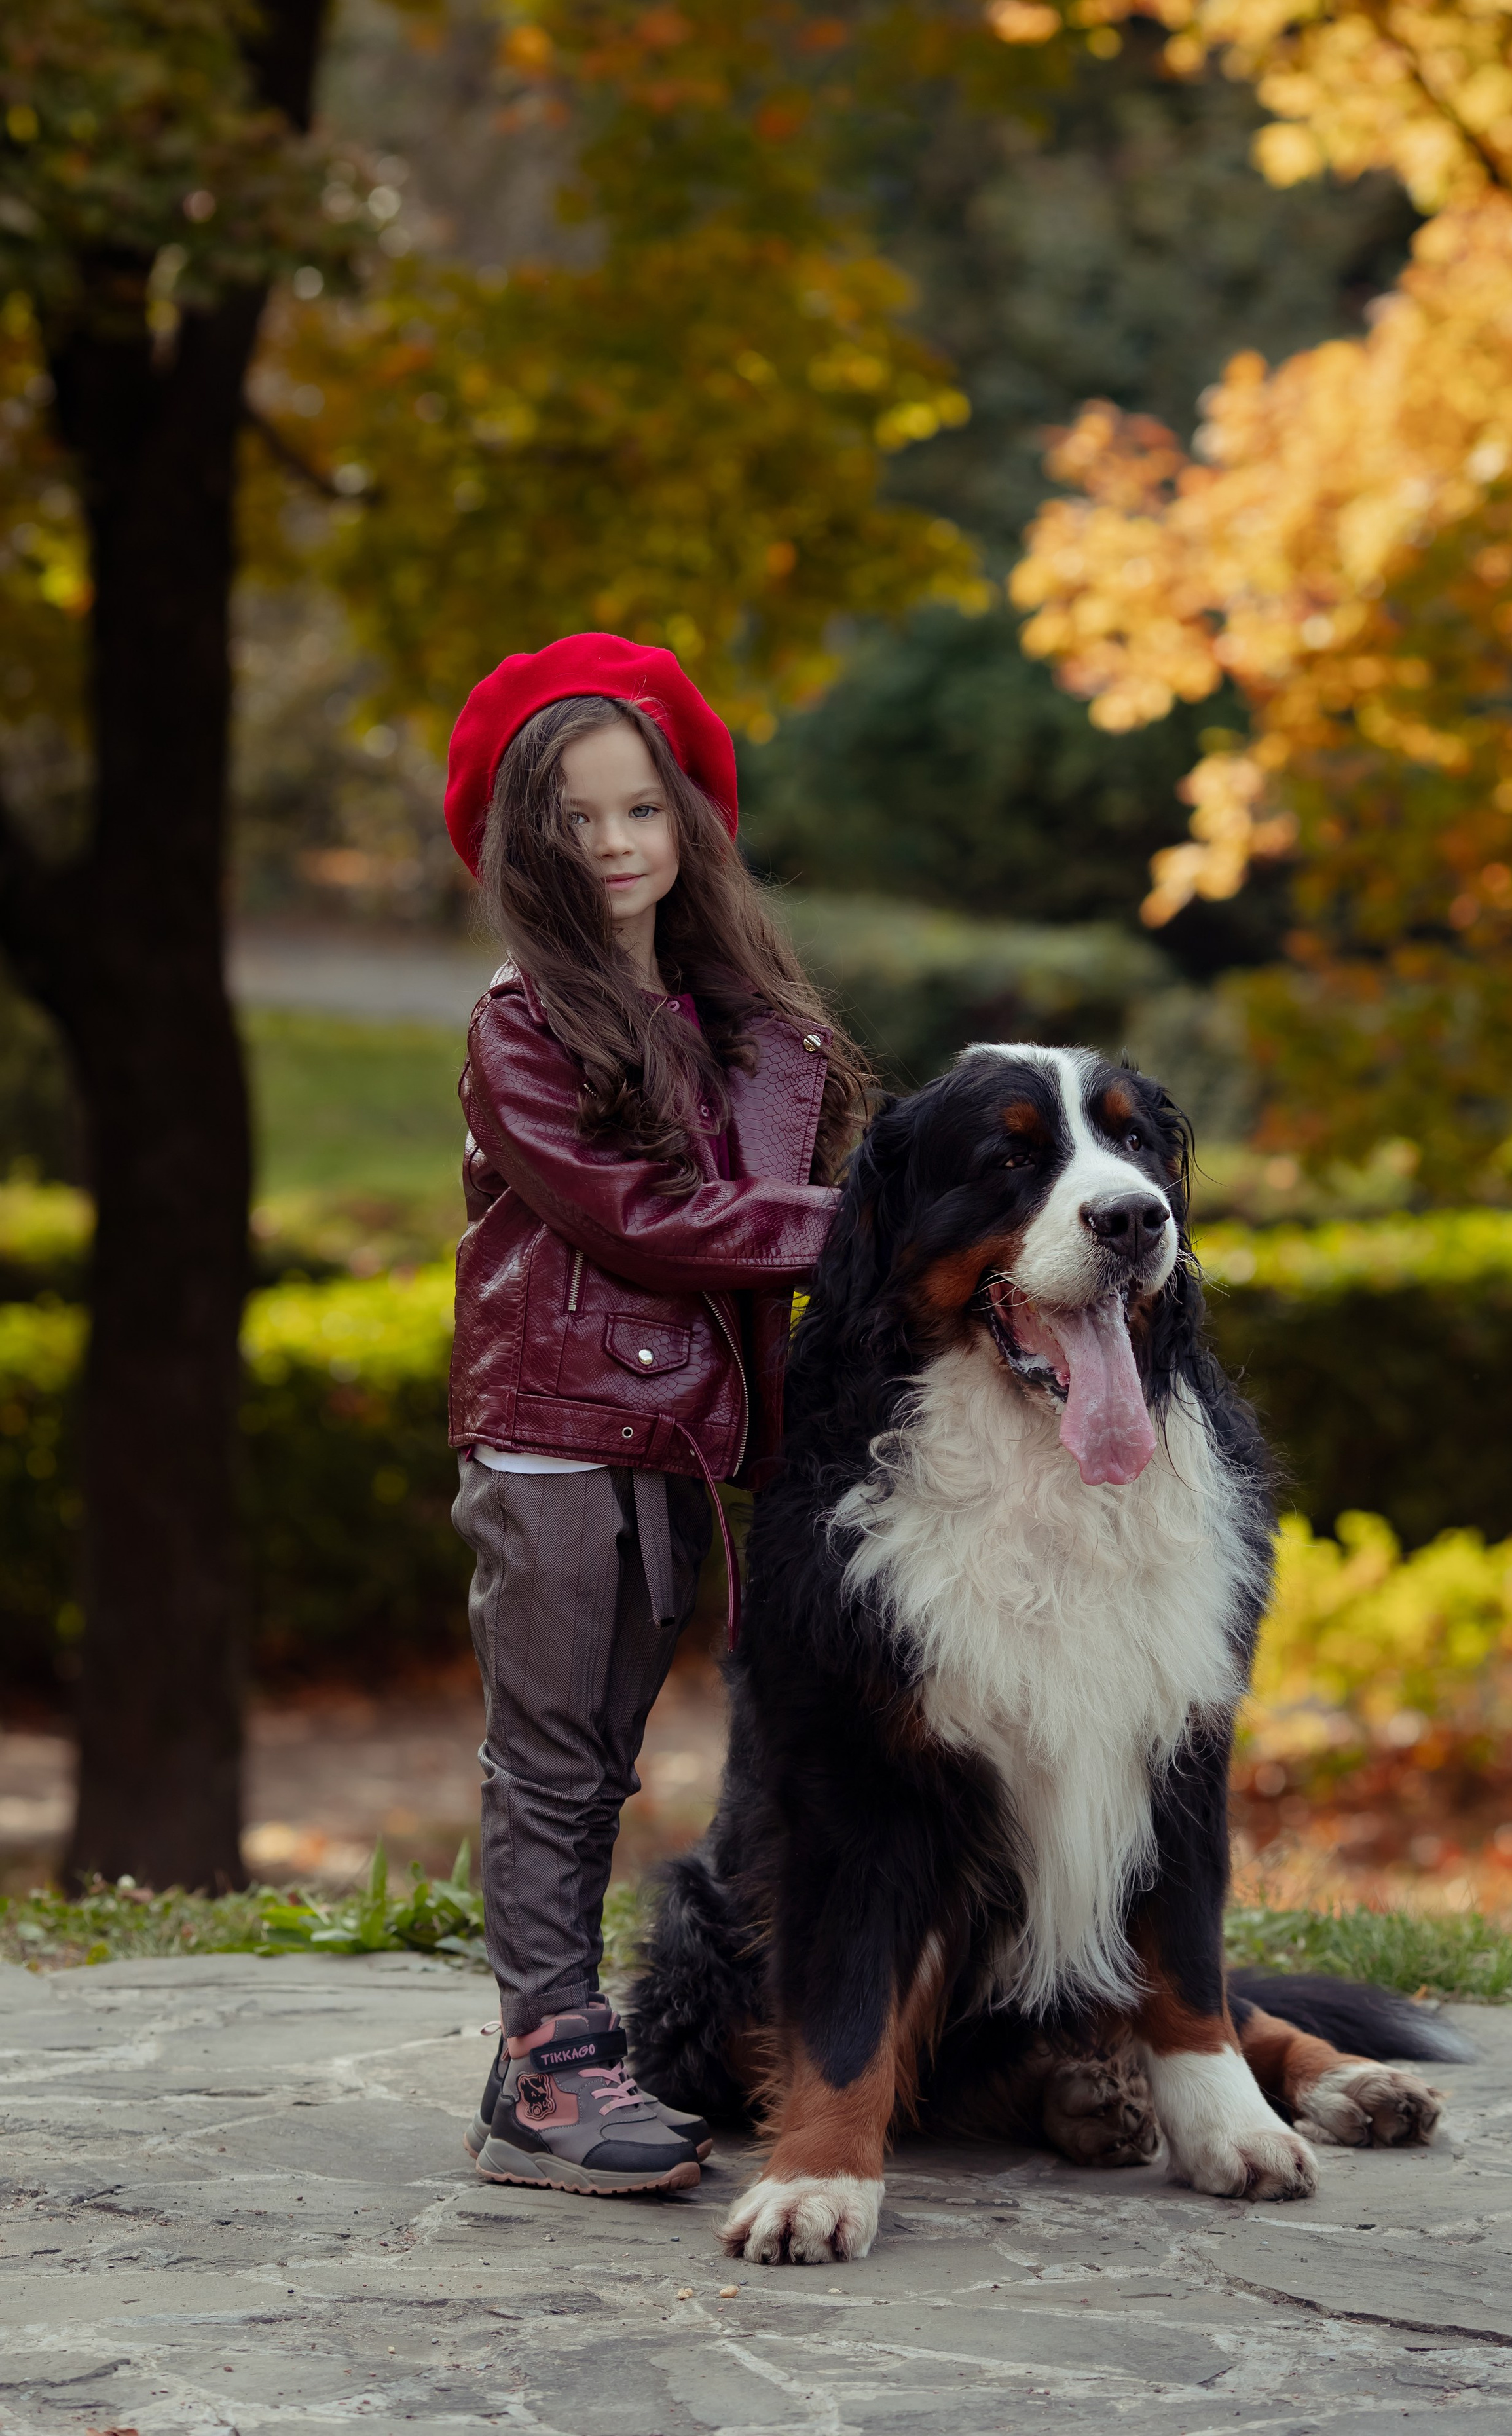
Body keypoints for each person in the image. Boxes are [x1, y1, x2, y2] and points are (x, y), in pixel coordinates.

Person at [443, 633, 867, 2196]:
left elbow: (769, 1188)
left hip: (677, 1440)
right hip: (557, 1436)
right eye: (575, 818)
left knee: (605, 1756)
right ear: (522, 842)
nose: (614, 845)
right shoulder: (519, 1025)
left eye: (641, 811)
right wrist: (862, 1223)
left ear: (687, 822)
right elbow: (646, 1221)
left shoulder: (741, 1016)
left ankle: (563, 2049)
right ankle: (543, 2069)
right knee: (551, 1757)